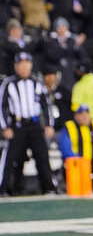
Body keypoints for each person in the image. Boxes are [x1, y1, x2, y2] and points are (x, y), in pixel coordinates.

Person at [0, 52, 57, 195]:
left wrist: (49, 124)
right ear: (15, 66)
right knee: (9, 158)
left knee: (42, 157)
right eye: (21, 64)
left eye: (27, 64)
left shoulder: (37, 83)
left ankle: (49, 187)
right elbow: (1, 106)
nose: (24, 67)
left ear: (31, 65)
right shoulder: (8, 83)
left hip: (35, 125)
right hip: (17, 126)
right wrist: (5, 126)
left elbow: (46, 105)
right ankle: (3, 188)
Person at [57, 104, 93, 192]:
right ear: (75, 116)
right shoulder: (68, 127)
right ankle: (72, 186)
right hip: (77, 163)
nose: (84, 117)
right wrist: (79, 161)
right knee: (69, 168)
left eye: (86, 114)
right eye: (81, 114)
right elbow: (65, 149)